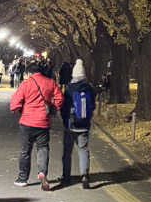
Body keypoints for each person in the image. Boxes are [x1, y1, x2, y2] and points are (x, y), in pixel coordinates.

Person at [9, 57, 63, 190]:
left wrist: (19, 109)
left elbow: (14, 105)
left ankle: (22, 178)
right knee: (43, 148)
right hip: (43, 122)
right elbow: (60, 98)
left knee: (25, 151)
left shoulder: (26, 84)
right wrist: (53, 107)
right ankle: (42, 172)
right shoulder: (50, 82)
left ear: (29, 73)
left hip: (26, 122)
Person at [60, 58, 96, 189]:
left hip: (71, 123)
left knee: (67, 151)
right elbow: (92, 106)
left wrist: (64, 120)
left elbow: (64, 107)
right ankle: (85, 175)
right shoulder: (90, 88)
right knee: (83, 149)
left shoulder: (69, 88)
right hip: (84, 124)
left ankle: (66, 177)